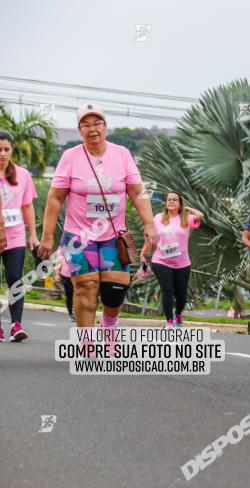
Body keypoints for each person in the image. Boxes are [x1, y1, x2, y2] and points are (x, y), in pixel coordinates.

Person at [38, 104, 156, 338]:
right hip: (78, 236)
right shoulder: (70, 157)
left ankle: (109, 326)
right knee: (86, 286)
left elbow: (137, 191)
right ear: (80, 130)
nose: (93, 129)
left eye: (97, 124)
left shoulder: (122, 154)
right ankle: (87, 341)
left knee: (116, 288)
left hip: (114, 235)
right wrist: (48, 236)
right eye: (86, 125)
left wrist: (149, 223)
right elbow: (55, 198)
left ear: (105, 127)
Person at [141, 192, 204, 328]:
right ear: (165, 203)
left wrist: (188, 209)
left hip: (182, 263)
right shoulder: (158, 218)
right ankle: (169, 321)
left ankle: (179, 313)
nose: (171, 202)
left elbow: (200, 215)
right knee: (167, 290)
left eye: (175, 200)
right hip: (161, 261)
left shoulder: (186, 218)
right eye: (169, 199)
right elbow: (151, 239)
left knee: (182, 294)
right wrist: (143, 254)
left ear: (180, 204)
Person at [0, 130, 39, 342]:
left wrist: (33, 234)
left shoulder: (22, 175)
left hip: (15, 236)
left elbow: (27, 206)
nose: (3, 154)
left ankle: (16, 325)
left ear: (12, 149)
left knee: (15, 277)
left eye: (7, 149)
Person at [53, 248, 75, 322]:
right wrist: (57, 275)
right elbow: (58, 261)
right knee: (69, 295)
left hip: (78, 275)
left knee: (79, 295)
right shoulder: (62, 246)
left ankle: (79, 313)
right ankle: (71, 314)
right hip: (66, 275)